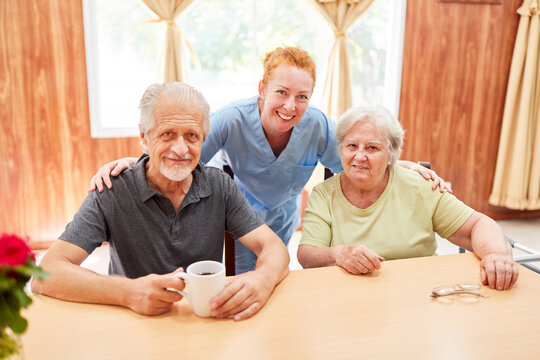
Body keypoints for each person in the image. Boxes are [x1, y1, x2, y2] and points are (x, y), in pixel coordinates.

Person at [89, 46, 450, 274]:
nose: (290, 106)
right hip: (236, 213)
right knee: (245, 277)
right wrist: (133, 161)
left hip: (285, 215)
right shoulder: (231, 119)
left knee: (279, 273)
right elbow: (184, 153)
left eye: (302, 96)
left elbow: (352, 164)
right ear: (262, 89)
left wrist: (396, 162)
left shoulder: (319, 125)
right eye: (281, 92)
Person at [32, 82, 290, 320]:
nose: (180, 149)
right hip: (131, 322)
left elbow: (273, 247)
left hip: (201, 321)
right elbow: (46, 275)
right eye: (167, 134)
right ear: (144, 136)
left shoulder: (219, 185)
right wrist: (128, 291)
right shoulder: (112, 189)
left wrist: (262, 280)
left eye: (192, 136)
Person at [297, 105, 519, 291]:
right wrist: (339, 253)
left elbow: (477, 225)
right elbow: (307, 255)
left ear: (392, 154)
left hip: (419, 294)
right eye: (352, 145)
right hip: (349, 298)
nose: (360, 156)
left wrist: (496, 255)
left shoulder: (420, 187)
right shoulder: (324, 194)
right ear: (341, 149)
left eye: (372, 148)